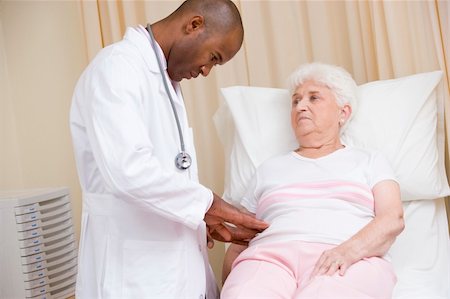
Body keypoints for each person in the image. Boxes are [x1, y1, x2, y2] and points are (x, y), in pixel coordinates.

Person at [69, 0, 268, 298]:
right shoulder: (117, 68)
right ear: (194, 25)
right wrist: (208, 204)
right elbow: (128, 171)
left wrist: (201, 218)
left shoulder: (163, 80)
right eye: (213, 57)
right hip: (134, 274)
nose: (206, 71)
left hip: (173, 270)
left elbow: (167, 175)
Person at [221, 62, 405, 299]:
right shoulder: (268, 169)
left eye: (314, 98)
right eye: (296, 101)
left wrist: (347, 252)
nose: (301, 107)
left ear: (343, 112)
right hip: (268, 258)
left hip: (348, 258)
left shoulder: (369, 161)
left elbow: (392, 218)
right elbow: (240, 240)